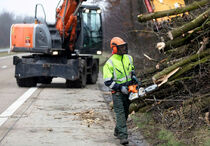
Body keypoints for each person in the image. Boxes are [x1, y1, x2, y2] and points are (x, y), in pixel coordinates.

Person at [103, 37, 137, 145]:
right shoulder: (110, 63)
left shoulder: (129, 58)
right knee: (120, 114)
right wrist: (119, 88)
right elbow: (107, 81)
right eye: (121, 47)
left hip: (128, 90)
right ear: (115, 48)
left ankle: (118, 130)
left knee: (126, 112)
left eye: (124, 46)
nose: (123, 49)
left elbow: (131, 70)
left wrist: (134, 79)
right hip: (117, 93)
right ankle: (123, 136)